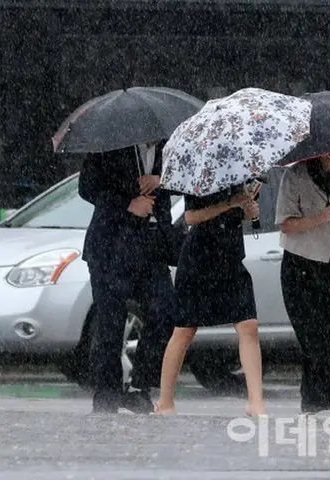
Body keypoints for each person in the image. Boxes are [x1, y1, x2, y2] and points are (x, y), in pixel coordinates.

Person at [78, 140, 178, 414]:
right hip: (111, 245)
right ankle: (107, 394)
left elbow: (187, 181)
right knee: (110, 321)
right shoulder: (110, 145)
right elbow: (87, 188)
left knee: (165, 311)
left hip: (151, 245)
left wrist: (162, 179)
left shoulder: (168, 150)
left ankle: (139, 387)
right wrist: (127, 203)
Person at [154, 185, 266, 417]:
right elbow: (191, 216)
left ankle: (256, 402)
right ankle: (165, 401)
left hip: (231, 259)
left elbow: (240, 213)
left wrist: (249, 211)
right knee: (184, 330)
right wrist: (231, 203)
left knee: (248, 325)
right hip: (198, 261)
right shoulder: (201, 175)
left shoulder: (242, 177)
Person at [275, 152, 330, 418]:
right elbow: (285, 224)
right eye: (326, 147)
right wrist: (319, 218)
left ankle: (313, 402)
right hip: (301, 267)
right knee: (316, 340)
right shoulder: (296, 174)